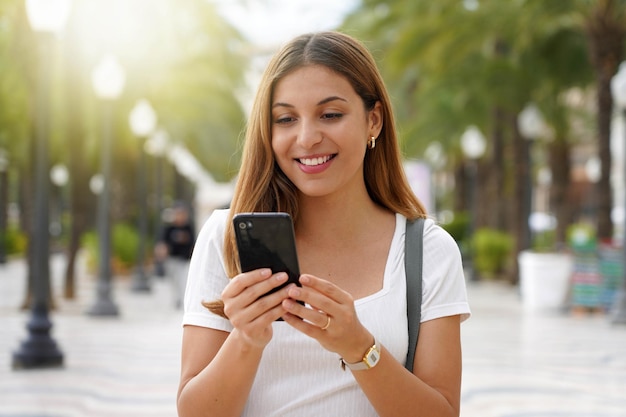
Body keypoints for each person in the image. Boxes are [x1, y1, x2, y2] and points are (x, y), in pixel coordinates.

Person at [177, 31, 470, 417]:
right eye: (285, 119)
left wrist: (359, 347)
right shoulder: (225, 238)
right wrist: (246, 339)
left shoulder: (428, 251)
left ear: (374, 121)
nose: (307, 137)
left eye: (330, 114)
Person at [155, 202, 195, 309]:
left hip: (184, 259)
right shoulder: (169, 228)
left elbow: (192, 242)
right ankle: (176, 298)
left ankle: (183, 300)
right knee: (174, 280)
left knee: (183, 280)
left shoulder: (188, 227)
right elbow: (163, 243)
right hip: (172, 259)